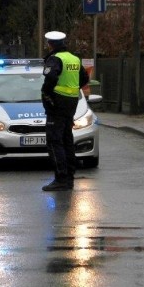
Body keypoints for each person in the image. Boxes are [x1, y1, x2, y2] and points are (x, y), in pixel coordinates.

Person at [40, 31, 89, 192]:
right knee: (67, 140)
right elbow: (84, 79)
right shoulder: (74, 58)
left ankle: (60, 178)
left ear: (50, 44)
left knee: (55, 141)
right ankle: (69, 177)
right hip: (72, 103)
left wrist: (47, 93)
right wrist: (72, 90)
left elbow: (51, 77)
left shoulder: (55, 58)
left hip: (57, 102)